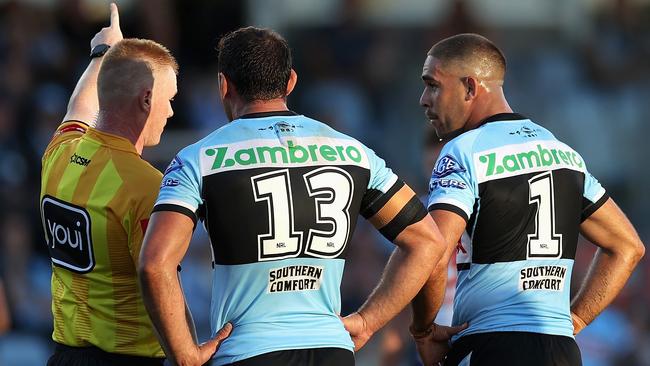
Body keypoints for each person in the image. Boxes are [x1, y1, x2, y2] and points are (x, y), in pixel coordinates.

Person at [138, 26, 446, 366]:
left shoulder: (199, 158)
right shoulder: (353, 152)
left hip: (248, 351)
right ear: (291, 82)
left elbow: (155, 263)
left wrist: (185, 354)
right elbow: (426, 240)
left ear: (223, 86)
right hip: (331, 350)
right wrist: (368, 321)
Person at [409, 33, 645, 366]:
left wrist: (423, 329)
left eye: (433, 85)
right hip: (560, 351)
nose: (423, 99)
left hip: (492, 345)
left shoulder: (463, 151)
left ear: (470, 88)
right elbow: (627, 246)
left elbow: (432, 251)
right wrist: (574, 321)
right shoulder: (564, 155)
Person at [39, 4, 190, 365]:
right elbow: (158, 275)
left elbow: (79, 106)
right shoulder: (147, 185)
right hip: (126, 358)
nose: (170, 112)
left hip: (64, 355)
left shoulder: (59, 151)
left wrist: (102, 53)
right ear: (147, 99)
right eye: (169, 100)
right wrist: (191, 355)